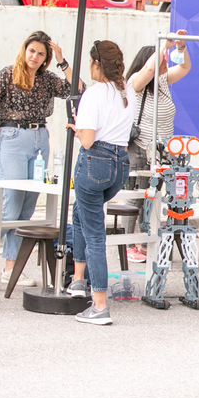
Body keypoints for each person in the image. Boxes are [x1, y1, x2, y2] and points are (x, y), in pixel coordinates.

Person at [0, 31, 77, 286]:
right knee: (11, 203)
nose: (35, 56)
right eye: (32, 51)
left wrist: (63, 62)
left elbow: (78, 89)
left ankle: (10, 267)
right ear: (24, 50)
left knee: (28, 205)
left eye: (41, 53)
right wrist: (2, 135)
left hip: (40, 137)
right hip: (13, 136)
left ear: (46, 58)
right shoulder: (8, 74)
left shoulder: (47, 79)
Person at [66, 40, 135, 326]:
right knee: (80, 214)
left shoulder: (93, 95)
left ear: (97, 64)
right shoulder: (127, 90)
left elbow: (87, 139)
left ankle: (99, 305)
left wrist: (76, 127)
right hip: (119, 166)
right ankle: (78, 280)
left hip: (95, 162)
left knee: (95, 235)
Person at [124, 29, 191, 264]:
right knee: (137, 197)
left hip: (161, 153)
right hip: (141, 148)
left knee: (152, 198)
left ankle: (145, 242)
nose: (165, 64)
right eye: (162, 60)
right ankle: (129, 245)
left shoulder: (162, 82)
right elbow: (150, 69)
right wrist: (164, 45)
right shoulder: (135, 83)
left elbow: (184, 68)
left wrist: (180, 47)